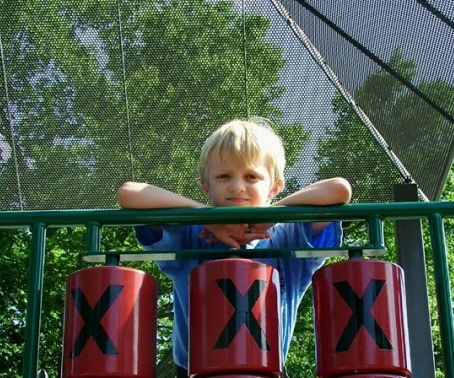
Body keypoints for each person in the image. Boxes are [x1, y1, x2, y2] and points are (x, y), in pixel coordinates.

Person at [118, 118, 352, 378]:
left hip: (266, 368)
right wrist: (207, 217)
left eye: (251, 176)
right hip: (196, 371)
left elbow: (339, 190)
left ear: (275, 187)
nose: (237, 186)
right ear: (205, 186)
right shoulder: (191, 233)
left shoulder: (287, 236)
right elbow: (130, 193)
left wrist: (273, 215)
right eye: (223, 176)